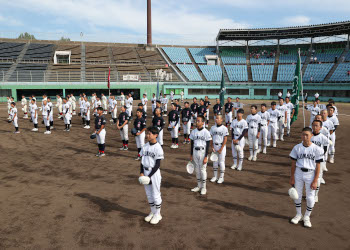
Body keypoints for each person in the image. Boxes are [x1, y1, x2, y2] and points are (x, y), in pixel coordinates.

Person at [289, 127, 323, 228]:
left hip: (311, 174)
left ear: (311, 135)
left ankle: (307, 217)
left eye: (307, 135)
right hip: (298, 173)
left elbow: (318, 166)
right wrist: (292, 177)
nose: (304, 137)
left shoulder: (317, 149)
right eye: (303, 134)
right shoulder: (297, 147)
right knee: (297, 196)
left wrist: (315, 180)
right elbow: (293, 164)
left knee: (310, 198)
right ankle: (298, 214)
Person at [140, 126, 164, 225]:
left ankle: (158, 214)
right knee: (149, 195)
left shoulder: (158, 147)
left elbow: (158, 164)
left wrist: (149, 176)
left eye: (149, 134)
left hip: (154, 173)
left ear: (155, 135)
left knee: (156, 194)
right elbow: (141, 161)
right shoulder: (145, 146)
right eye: (147, 133)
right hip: (145, 172)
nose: (147, 135)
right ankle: (153, 212)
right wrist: (141, 172)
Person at [189, 115, 212, 195]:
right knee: (197, 170)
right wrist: (191, 154)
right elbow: (191, 144)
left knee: (202, 170)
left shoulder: (206, 132)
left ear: (203, 122)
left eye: (199, 121)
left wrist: (206, 156)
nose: (197, 122)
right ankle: (198, 186)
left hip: (203, 152)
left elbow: (208, 145)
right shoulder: (193, 131)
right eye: (196, 120)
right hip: (195, 152)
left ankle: (204, 188)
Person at [311, 120, 329, 202]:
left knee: (318, 178)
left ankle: (316, 195)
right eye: (313, 125)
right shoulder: (309, 135)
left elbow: (325, 148)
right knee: (309, 177)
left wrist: (320, 156)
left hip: (319, 160)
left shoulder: (323, 137)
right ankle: (310, 193)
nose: (314, 127)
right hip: (310, 160)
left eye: (316, 126)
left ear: (320, 127)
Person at [209, 115, 228, 184]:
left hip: (221, 146)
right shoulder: (212, 128)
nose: (216, 119)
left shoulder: (224, 128)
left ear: (221, 120)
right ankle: (215, 176)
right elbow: (210, 137)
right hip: (215, 146)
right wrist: (212, 147)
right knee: (215, 162)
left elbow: (225, 139)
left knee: (221, 162)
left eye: (218, 118)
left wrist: (221, 148)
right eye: (216, 118)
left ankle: (221, 177)